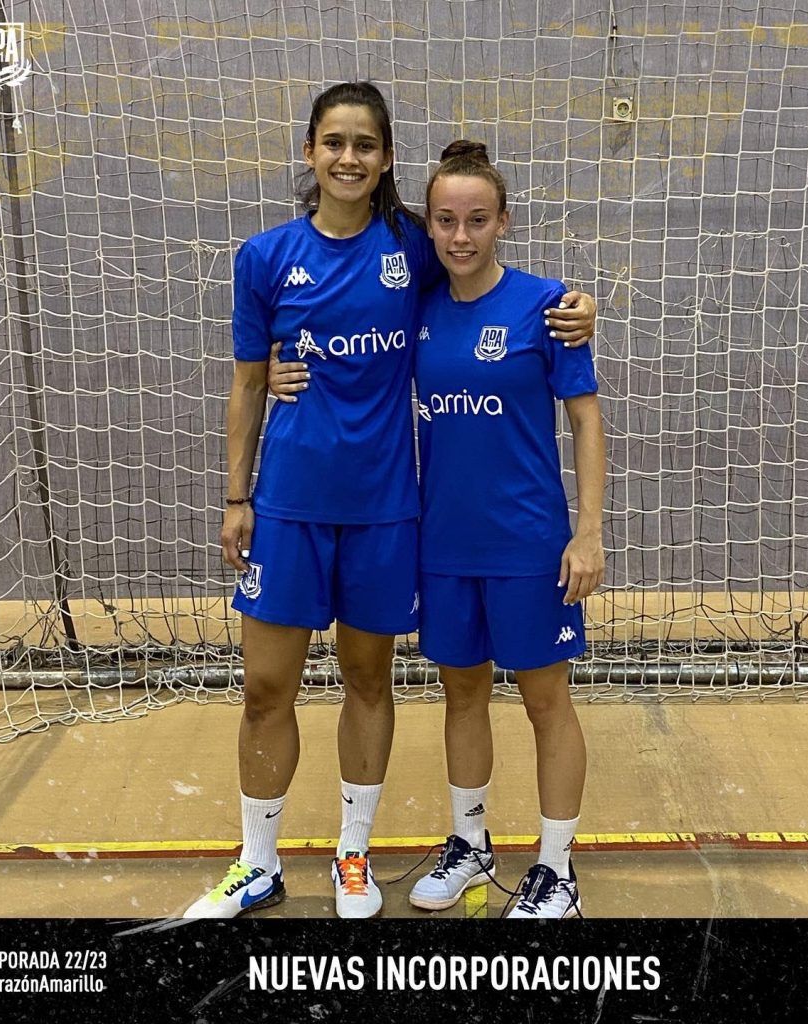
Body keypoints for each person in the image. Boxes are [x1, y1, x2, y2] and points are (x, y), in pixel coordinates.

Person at [184, 82, 596, 920]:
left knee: (369, 682)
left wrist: (578, 307)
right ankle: (256, 863)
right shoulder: (264, 257)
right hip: (289, 505)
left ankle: (352, 855)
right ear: (309, 152)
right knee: (267, 687)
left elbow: (501, 284)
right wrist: (236, 495)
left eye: (364, 145)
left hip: (387, 512)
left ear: (385, 160)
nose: (347, 157)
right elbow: (249, 379)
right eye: (332, 142)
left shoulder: (413, 248)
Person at [407, 141, 606, 918]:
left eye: (477, 220)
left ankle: (557, 871)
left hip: (529, 544)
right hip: (444, 543)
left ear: (503, 223)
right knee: (461, 696)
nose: (461, 236)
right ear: (428, 225)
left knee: (546, 702)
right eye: (446, 221)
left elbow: (586, 424)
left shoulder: (547, 305)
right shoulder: (414, 306)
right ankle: (471, 844)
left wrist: (586, 533)